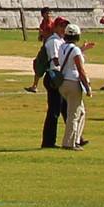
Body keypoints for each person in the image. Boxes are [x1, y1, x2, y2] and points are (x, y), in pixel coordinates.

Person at [53, 25, 92, 149]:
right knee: (73, 114)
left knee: (81, 112)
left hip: (63, 82)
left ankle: (76, 139)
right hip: (73, 82)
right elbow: (80, 70)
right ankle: (69, 143)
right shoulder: (75, 50)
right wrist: (87, 86)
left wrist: (82, 49)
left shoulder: (62, 47)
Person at [37, 18, 70, 147]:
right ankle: (48, 141)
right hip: (54, 77)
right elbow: (55, 60)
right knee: (55, 111)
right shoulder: (54, 42)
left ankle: (75, 137)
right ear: (55, 27)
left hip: (58, 76)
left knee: (65, 109)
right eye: (61, 26)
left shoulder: (60, 41)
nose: (63, 28)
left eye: (65, 26)